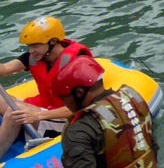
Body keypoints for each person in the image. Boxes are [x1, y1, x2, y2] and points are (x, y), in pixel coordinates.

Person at [53, 55, 159, 168]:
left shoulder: (81, 129)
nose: (64, 104)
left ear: (79, 92)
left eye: (64, 98)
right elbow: (152, 147)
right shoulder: (132, 100)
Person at [0, 17, 94, 160]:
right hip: (46, 107)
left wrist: (39, 116)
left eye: (35, 46)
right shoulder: (35, 56)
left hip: (66, 117)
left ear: (53, 41)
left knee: (14, 113)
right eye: (29, 46)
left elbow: (84, 107)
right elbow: (6, 69)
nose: (31, 51)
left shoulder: (77, 63)